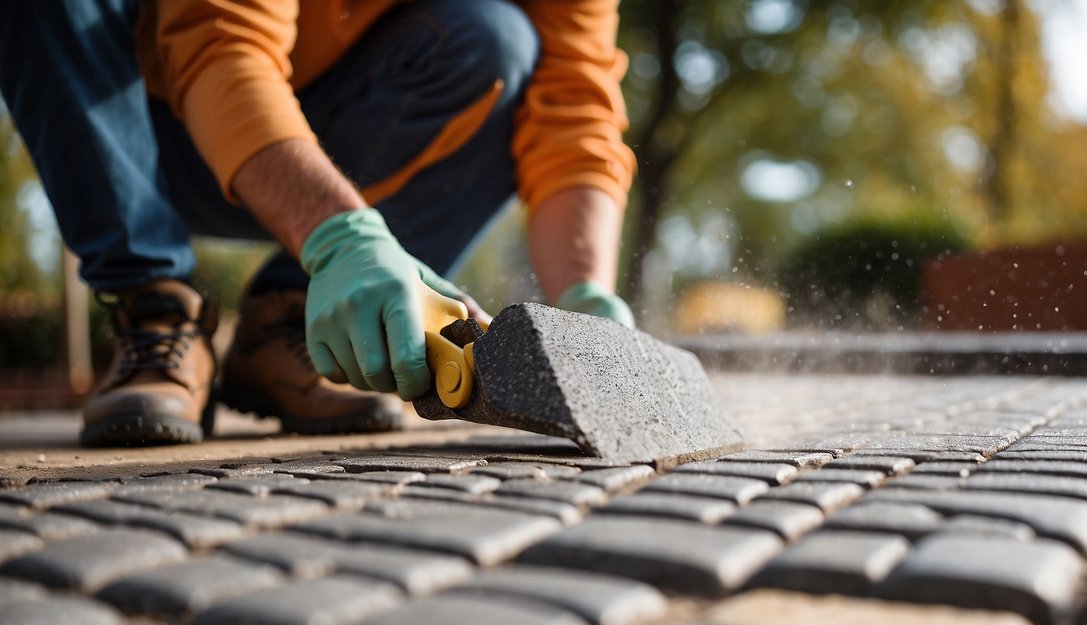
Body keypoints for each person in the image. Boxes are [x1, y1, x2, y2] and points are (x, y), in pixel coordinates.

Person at [0, 0, 636, 447]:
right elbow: (222, 42)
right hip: (144, 123)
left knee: (497, 40)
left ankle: (287, 322)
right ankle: (154, 310)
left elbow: (574, 107)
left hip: (342, 121)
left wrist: (584, 293)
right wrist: (340, 236)